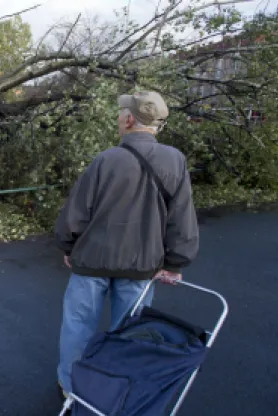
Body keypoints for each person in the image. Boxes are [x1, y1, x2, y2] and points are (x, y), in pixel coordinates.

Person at [53, 91, 200, 397]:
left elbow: (76, 214)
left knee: (77, 329)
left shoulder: (106, 160)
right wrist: (175, 263)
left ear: (130, 119)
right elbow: (181, 218)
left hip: (92, 261)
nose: (119, 118)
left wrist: (68, 246)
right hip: (141, 266)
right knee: (129, 335)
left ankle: (70, 388)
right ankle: (115, 392)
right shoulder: (176, 160)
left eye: (121, 113)